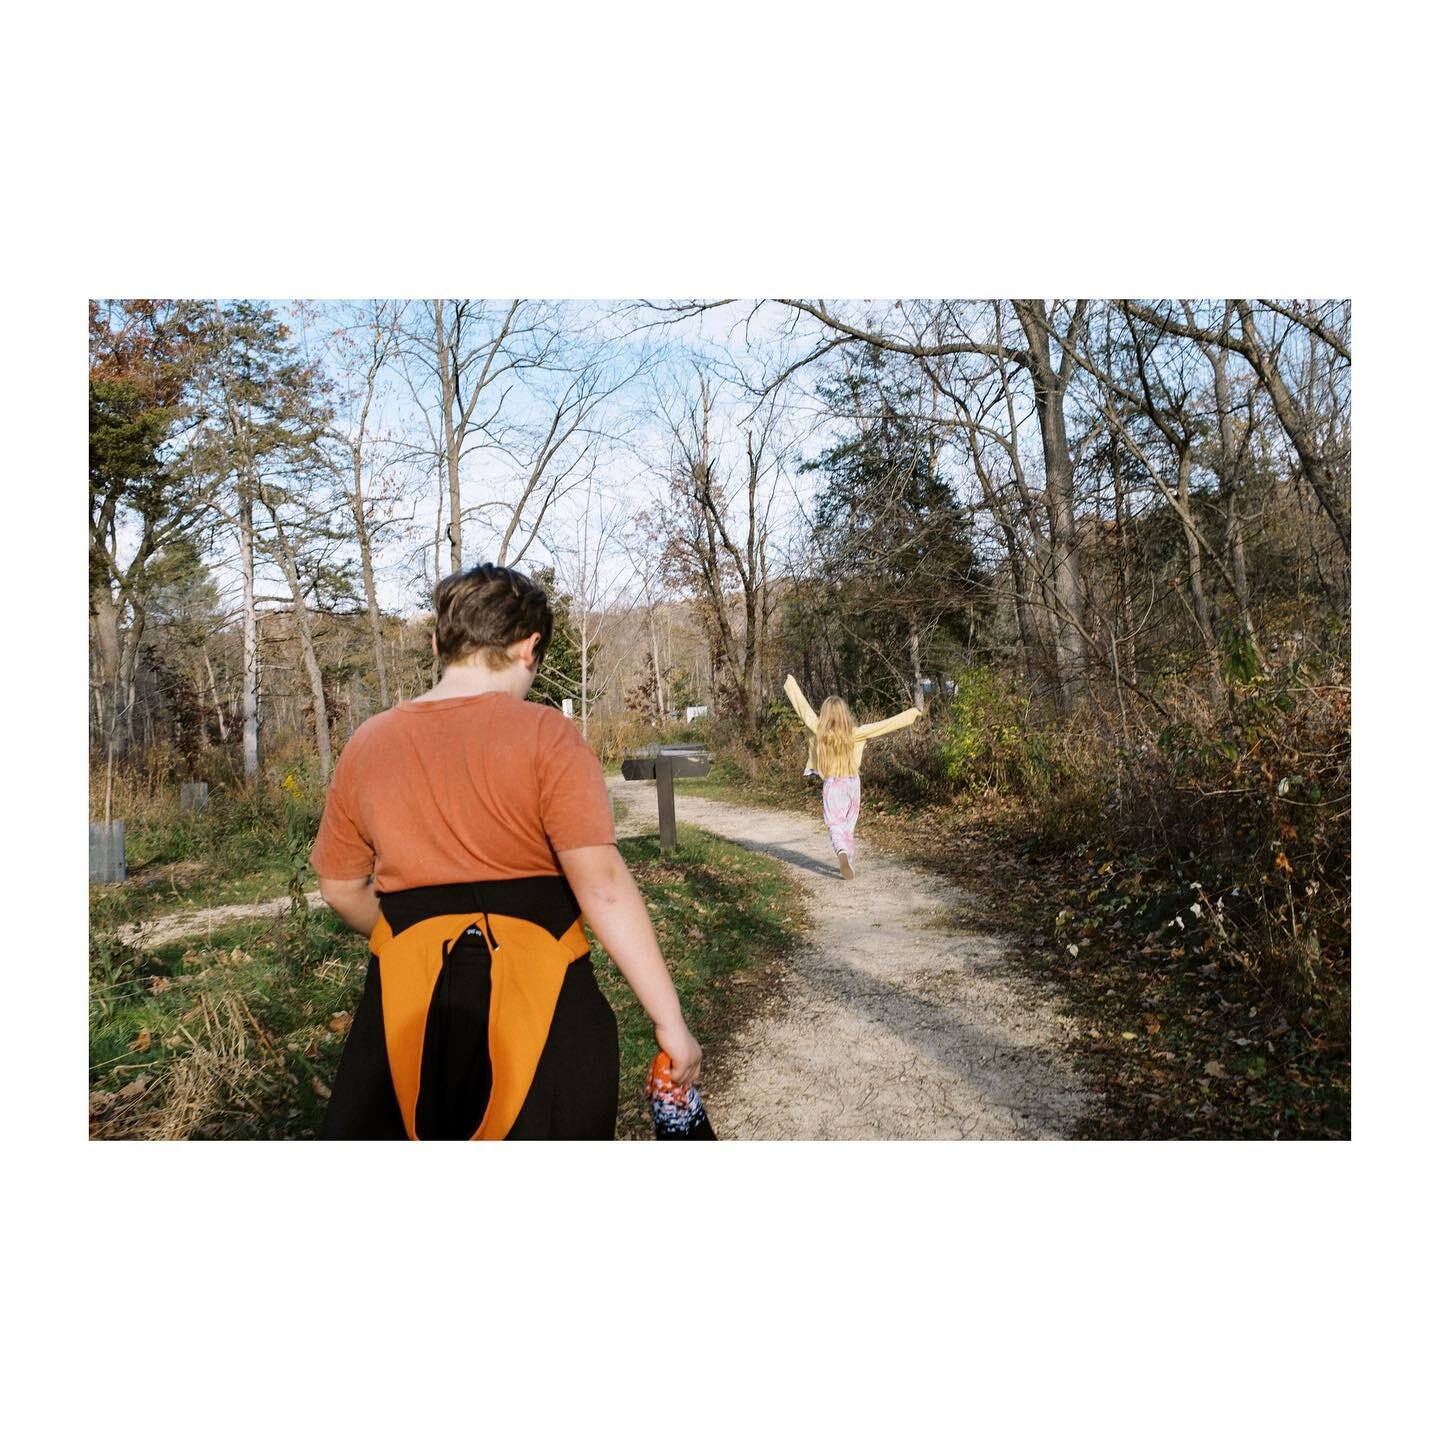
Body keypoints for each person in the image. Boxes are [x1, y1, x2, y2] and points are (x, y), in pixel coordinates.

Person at [310, 561, 702, 1140]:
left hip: (407, 1015)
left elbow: (341, 889)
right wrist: (670, 1023)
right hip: (542, 1010)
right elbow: (601, 885)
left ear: (440, 642)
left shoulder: (367, 743)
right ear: (530, 645)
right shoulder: (548, 735)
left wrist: (410, 941)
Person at [782, 674, 920, 880]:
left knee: (834, 824)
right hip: (853, 784)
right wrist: (912, 713)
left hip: (833, 785)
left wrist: (790, 682)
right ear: (845, 715)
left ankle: (842, 853)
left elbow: (803, 708)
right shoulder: (856, 733)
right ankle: (849, 858)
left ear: (825, 715)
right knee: (848, 825)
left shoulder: (818, 729)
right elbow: (885, 725)